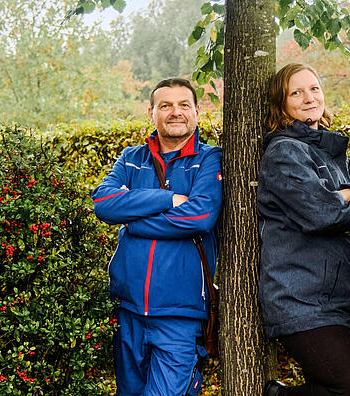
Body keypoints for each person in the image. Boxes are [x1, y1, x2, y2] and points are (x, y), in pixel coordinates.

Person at [258, 63, 350, 396]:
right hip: (301, 299)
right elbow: (322, 213)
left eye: (314, 88)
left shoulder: (329, 151)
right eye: (296, 92)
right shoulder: (284, 152)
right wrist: (349, 197)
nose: (308, 98)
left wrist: (349, 194)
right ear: (281, 104)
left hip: (337, 299)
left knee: (331, 386)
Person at [91, 78, 222, 396]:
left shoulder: (209, 159)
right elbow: (104, 203)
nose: (175, 112)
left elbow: (200, 216)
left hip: (180, 314)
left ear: (196, 112)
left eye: (183, 105)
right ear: (151, 113)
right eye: (165, 105)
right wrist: (166, 199)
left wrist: (133, 220)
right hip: (130, 309)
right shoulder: (131, 158)